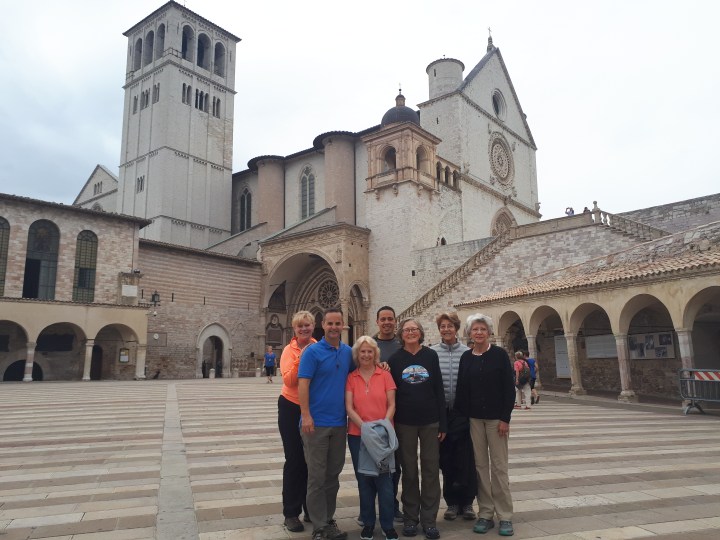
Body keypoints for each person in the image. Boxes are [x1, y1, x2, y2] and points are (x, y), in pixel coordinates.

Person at [454, 314, 516, 537]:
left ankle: (505, 515)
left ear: (489, 332)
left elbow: (509, 389)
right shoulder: (466, 358)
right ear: (469, 333)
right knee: (480, 467)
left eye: (482, 329)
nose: (478, 333)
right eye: (474, 329)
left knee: (499, 468)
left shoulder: (499, 355)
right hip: (474, 420)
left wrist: (505, 418)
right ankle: (486, 513)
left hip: (495, 420)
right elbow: (462, 389)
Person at [388, 318, 446, 540]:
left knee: (431, 470)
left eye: (414, 329)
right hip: (405, 422)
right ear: (401, 334)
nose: (411, 332)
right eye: (406, 330)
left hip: (431, 421)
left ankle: (429, 520)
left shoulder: (430, 356)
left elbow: (439, 389)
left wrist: (443, 422)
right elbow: (391, 392)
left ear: (420, 333)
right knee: (409, 471)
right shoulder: (395, 359)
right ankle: (411, 518)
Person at [298, 307, 352, 540]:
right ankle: (319, 526)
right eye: (329, 324)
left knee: (333, 475)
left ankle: (328, 520)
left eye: (337, 324)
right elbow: (303, 384)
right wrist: (306, 415)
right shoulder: (312, 352)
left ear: (343, 326)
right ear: (323, 325)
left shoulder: (349, 352)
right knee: (316, 476)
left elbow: (361, 373)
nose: (333, 328)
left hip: (339, 424)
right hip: (316, 424)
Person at [346, 336, 399, 540]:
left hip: (383, 435)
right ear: (357, 355)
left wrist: (382, 426)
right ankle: (368, 523)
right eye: (362, 352)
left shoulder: (385, 375)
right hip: (358, 436)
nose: (366, 355)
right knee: (364, 480)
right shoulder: (352, 377)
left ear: (375, 354)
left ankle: (387, 525)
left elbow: (392, 404)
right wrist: (366, 428)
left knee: (385, 480)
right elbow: (349, 407)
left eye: (370, 351)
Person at [430, 312, 476, 522]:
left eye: (450, 326)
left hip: (462, 413)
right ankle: (451, 503)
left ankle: (467, 502)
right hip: (442, 414)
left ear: (456, 328)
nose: (446, 329)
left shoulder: (467, 353)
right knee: (446, 459)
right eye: (443, 326)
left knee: (465, 458)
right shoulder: (432, 353)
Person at [278, 311, 315, 532]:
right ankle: (291, 513)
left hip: (312, 407)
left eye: (307, 325)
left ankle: (311, 507)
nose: (303, 329)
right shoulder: (288, 351)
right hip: (291, 407)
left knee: (313, 459)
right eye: (299, 326)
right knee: (294, 460)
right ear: (294, 329)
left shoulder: (318, 347)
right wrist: (303, 356)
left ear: (313, 326)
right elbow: (289, 379)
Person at [373, 306, 404, 524]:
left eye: (390, 319)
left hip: (401, 412)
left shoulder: (402, 344)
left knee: (396, 464)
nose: (387, 322)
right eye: (383, 319)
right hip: (375, 413)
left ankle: (392, 505)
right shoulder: (369, 345)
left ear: (395, 321)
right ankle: (369, 506)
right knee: (373, 463)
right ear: (377, 322)